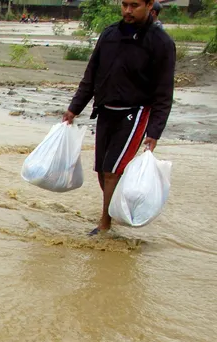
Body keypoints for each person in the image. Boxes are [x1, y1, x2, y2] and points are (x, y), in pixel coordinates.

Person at [62, 0, 175, 236]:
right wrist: (74, 108)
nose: (128, 10)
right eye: (124, 4)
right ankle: (118, 209)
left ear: (148, 5)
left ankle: (104, 224)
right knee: (102, 170)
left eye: (134, 5)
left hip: (135, 112)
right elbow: (91, 74)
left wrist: (154, 132)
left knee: (112, 170)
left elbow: (164, 92)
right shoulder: (110, 34)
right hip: (105, 109)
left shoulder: (161, 42)